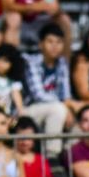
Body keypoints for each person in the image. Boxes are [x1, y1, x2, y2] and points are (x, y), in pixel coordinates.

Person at [22, 24, 82, 159]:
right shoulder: (31, 62)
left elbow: (66, 93)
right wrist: (66, 106)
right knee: (58, 109)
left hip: (56, 107)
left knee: (81, 118)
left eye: (59, 42)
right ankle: (52, 157)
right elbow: (38, 95)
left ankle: (68, 157)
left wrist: (70, 107)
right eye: (50, 42)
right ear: (41, 44)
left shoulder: (62, 63)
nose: (54, 46)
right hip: (28, 110)